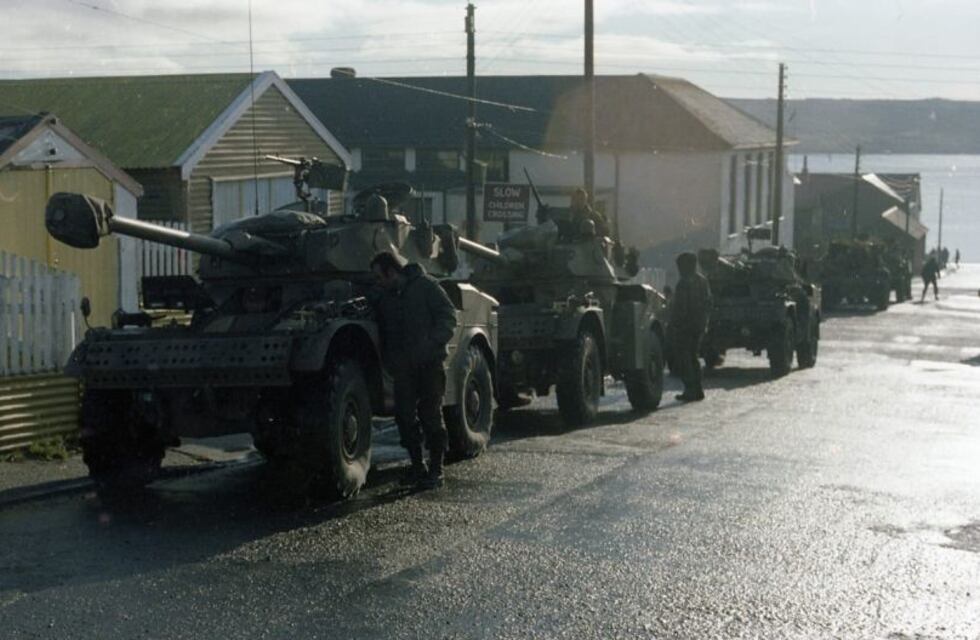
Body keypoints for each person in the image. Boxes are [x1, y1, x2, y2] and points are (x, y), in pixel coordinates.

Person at [371, 251, 458, 490]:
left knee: (431, 415)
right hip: (403, 367)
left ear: (392, 272)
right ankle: (417, 466)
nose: (377, 282)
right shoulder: (386, 298)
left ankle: (436, 469)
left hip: (430, 363)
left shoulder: (426, 286)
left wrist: (432, 343)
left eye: (380, 277)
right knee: (404, 418)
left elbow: (448, 316)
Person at [669, 251, 712, 402]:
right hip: (699, 325)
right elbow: (708, 303)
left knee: (684, 358)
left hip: (685, 326)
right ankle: (698, 389)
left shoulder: (683, 283)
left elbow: (681, 308)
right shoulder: (702, 280)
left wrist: (674, 323)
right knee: (694, 357)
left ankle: (690, 389)